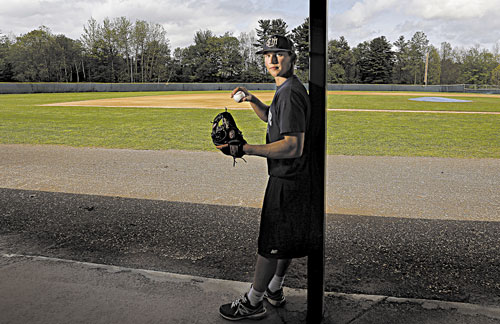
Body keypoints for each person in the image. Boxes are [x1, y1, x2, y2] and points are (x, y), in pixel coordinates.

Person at [218, 34, 314, 321]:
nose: (272, 59)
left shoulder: (291, 93)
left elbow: (292, 146)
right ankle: (274, 288)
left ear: (291, 58)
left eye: (279, 54)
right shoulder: (286, 90)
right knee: (283, 239)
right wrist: (251, 99)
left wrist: (244, 149)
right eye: (268, 54)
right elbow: (272, 117)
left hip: (287, 178)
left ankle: (253, 301)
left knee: (270, 243)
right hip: (293, 179)